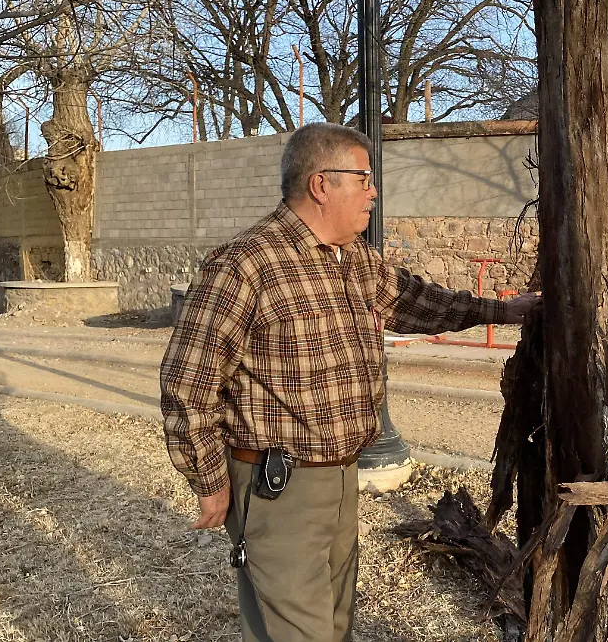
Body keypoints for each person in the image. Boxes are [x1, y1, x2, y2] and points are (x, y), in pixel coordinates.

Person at [159, 122, 539, 642]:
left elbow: (416, 302)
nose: (373, 192)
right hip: (277, 486)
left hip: (340, 479)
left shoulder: (353, 258)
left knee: (335, 625)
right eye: (363, 179)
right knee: (299, 633)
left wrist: (503, 310)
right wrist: (209, 482)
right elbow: (187, 383)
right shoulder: (246, 265)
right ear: (321, 184)